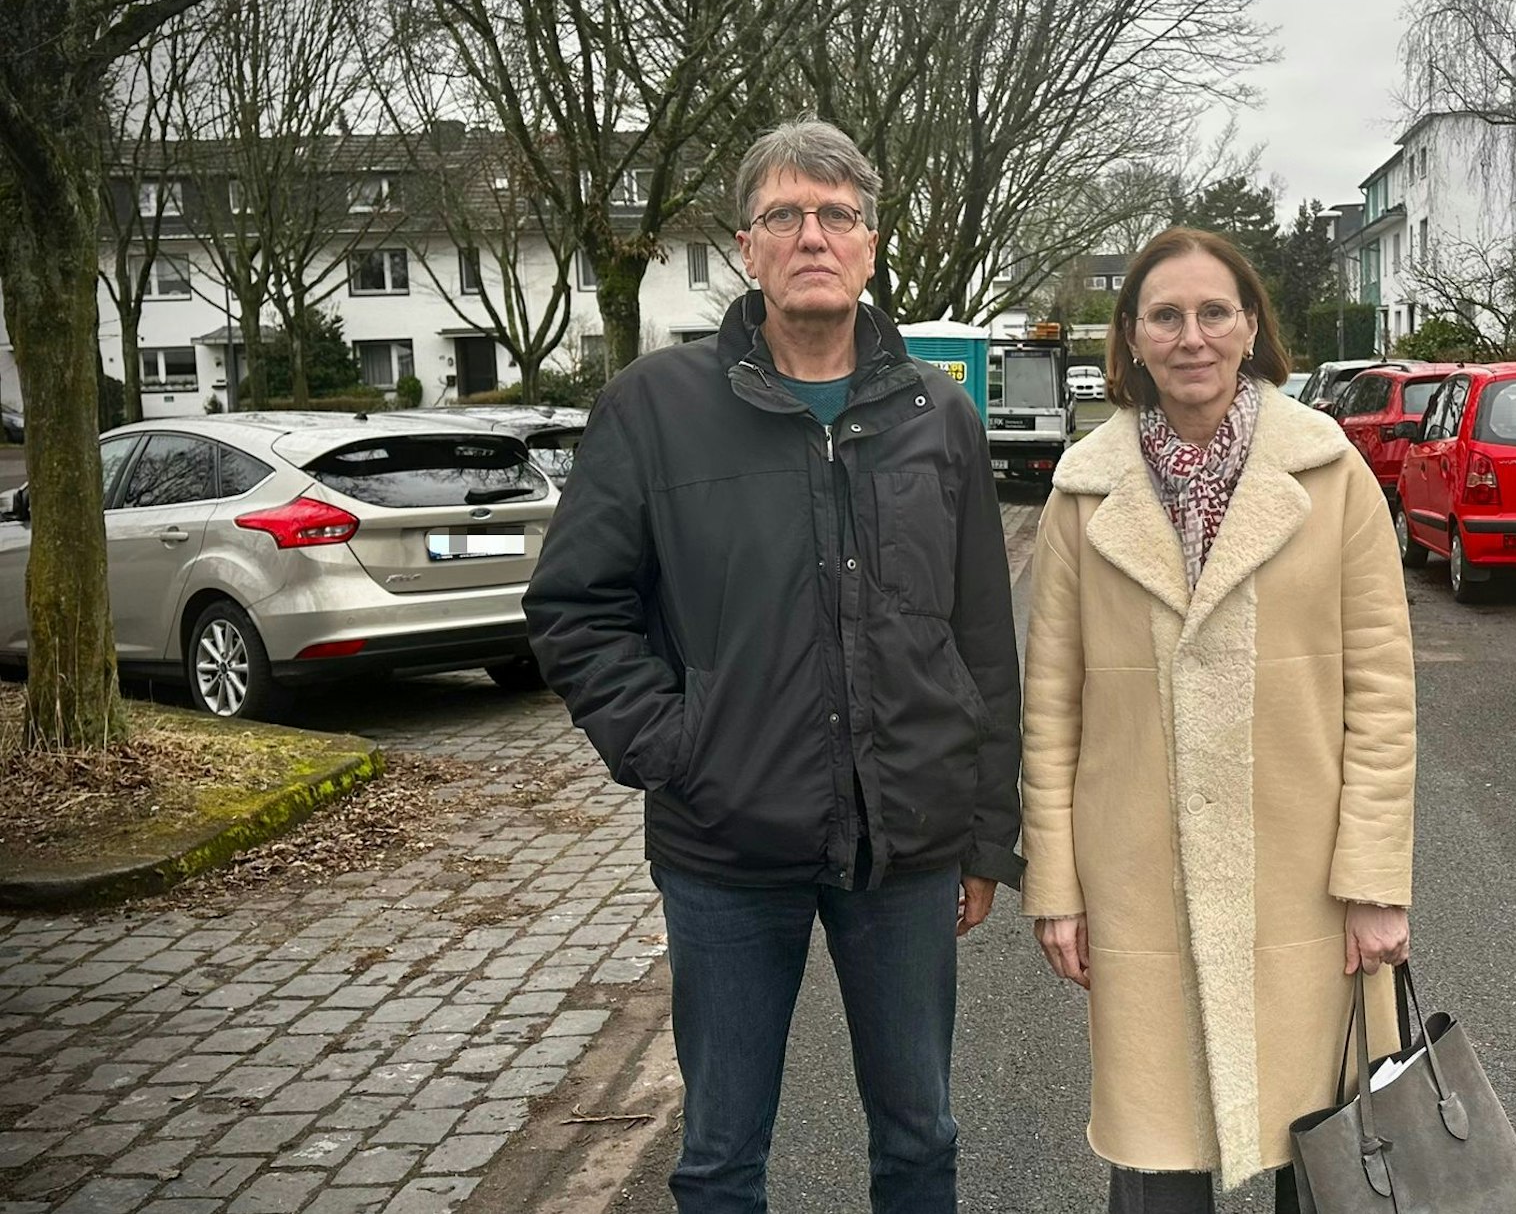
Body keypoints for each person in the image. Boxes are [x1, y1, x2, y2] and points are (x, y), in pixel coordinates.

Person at [524, 117, 1023, 1214]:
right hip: (724, 846)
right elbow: (574, 606)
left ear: (870, 243)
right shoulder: (653, 410)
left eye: (836, 214)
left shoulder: (936, 415)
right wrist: (674, 743)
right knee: (716, 1156)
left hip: (904, 847)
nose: (812, 234)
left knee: (920, 1138)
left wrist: (987, 829)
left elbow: (980, 631)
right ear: (744, 245)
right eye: (784, 214)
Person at [1019, 227, 1416, 1214]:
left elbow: (1380, 694)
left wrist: (1373, 881)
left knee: (1316, 1160)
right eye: (1165, 314)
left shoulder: (1329, 475)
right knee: (1157, 1168)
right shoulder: (1082, 492)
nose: (1190, 334)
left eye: (1212, 311)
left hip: (1306, 889)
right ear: (1131, 335)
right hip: (1137, 884)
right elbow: (1050, 706)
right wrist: (1056, 884)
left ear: (1249, 326)